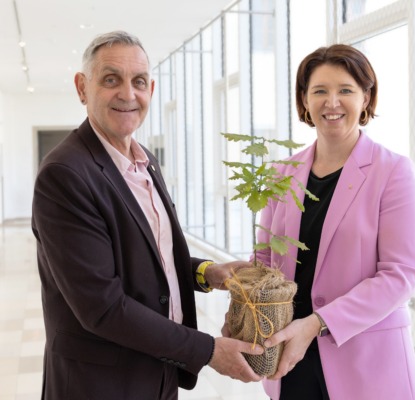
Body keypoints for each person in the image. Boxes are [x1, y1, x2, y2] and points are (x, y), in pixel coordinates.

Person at [31, 30, 263, 400]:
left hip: (157, 371)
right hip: (99, 383)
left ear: (151, 90)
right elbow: (102, 306)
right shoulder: (65, 173)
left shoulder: (145, 162)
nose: (128, 94)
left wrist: (206, 272)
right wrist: (208, 351)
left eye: (138, 82)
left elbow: (146, 259)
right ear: (82, 88)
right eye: (111, 80)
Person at [254, 44, 415, 399]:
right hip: (290, 359)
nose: (332, 102)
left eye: (345, 90)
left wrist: (318, 323)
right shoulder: (281, 174)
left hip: (367, 364)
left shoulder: (392, 172)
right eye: (320, 91)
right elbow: (265, 261)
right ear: (304, 100)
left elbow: (401, 274)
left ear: (366, 97)